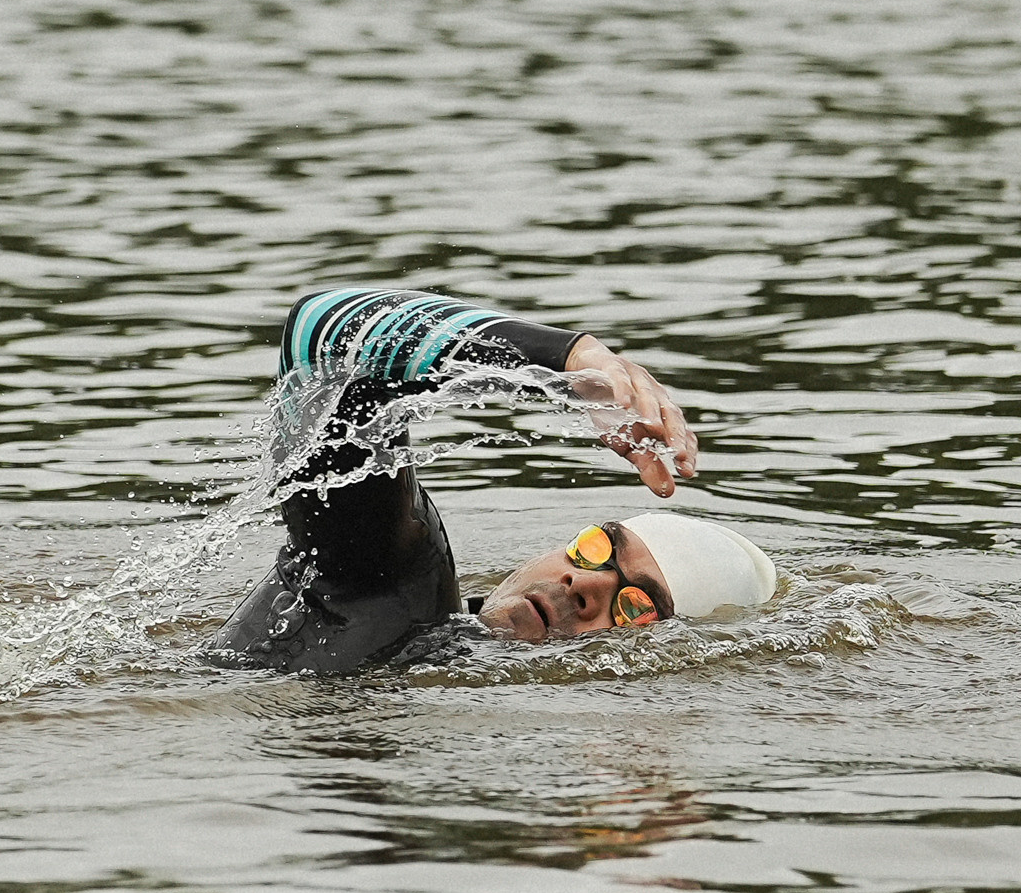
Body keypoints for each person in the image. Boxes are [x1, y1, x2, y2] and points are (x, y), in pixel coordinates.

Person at [205, 287, 778, 674]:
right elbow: (320, 337)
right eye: (597, 548)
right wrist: (567, 359)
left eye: (636, 605)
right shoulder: (392, 590)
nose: (587, 584)